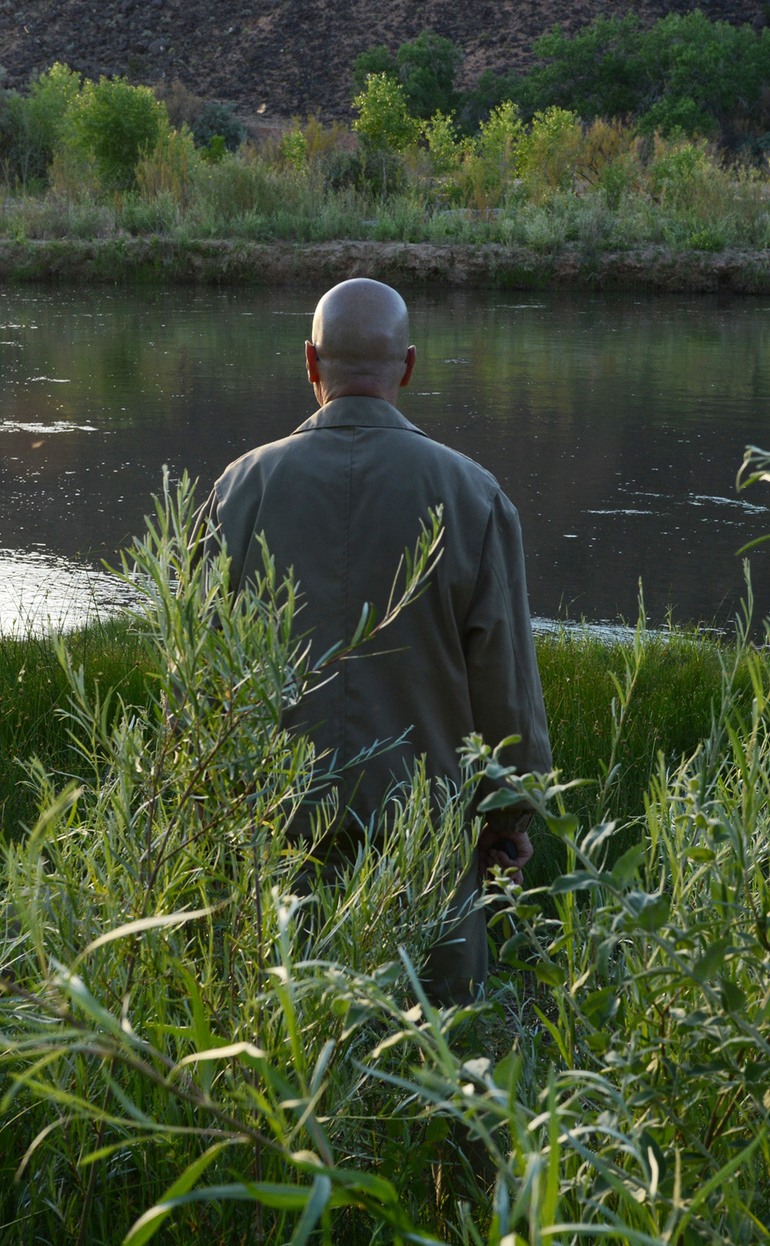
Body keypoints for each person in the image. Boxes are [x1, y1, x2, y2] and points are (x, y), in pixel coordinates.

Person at [207, 277, 551, 1001]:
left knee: (283, 1062)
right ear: (409, 365)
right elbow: (506, 689)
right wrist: (507, 819)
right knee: (437, 1068)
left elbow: (204, 681)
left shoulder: (241, 489)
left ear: (309, 363)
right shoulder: (474, 496)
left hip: (278, 844)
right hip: (423, 853)